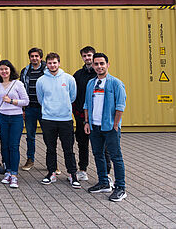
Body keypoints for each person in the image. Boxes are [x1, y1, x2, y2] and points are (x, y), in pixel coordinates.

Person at [84, 53, 127, 202]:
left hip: (110, 128)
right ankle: (104, 182)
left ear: (108, 64)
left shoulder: (116, 83)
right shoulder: (91, 83)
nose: (99, 66)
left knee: (116, 157)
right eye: (96, 64)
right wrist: (87, 122)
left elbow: (120, 106)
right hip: (94, 127)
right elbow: (86, 105)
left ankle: (120, 188)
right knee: (98, 154)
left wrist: (115, 125)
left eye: (102, 63)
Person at [36, 53, 80, 189]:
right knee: (50, 148)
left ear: (59, 63)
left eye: (55, 63)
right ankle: (51, 173)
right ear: (46, 64)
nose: (52, 65)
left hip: (65, 119)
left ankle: (73, 174)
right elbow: (40, 99)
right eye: (49, 63)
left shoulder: (69, 79)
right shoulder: (41, 80)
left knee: (68, 149)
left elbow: (72, 97)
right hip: (48, 119)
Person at [73, 46, 112, 182]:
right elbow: (74, 96)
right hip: (82, 118)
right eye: (84, 56)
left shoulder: (101, 75)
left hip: (100, 119)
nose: (87, 58)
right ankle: (82, 169)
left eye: (90, 55)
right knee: (82, 144)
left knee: (103, 147)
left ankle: (106, 174)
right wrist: (78, 115)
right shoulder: (77, 75)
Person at [0, 60, 29, 188]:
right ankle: (7, 172)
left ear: (10, 70)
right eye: (1, 69)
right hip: (2, 117)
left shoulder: (17, 84)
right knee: (4, 146)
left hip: (16, 118)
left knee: (14, 146)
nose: (4, 71)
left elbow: (26, 101)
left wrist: (12, 101)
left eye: (6, 69)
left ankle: (14, 175)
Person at [20, 47, 46, 171]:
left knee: (48, 136)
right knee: (30, 135)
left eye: (36, 56)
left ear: (41, 57)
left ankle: (52, 162)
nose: (34, 58)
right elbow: (21, 91)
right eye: (32, 56)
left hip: (44, 109)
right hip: (30, 108)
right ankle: (30, 159)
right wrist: (23, 109)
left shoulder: (47, 71)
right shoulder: (25, 71)